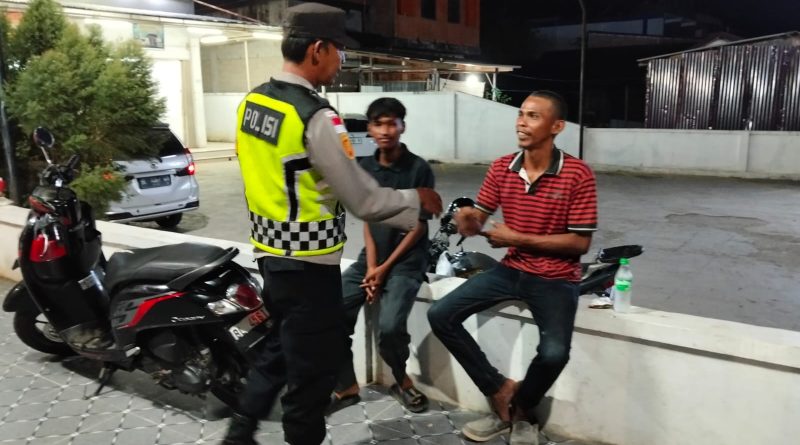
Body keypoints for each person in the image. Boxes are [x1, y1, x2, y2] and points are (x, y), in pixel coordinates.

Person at [223, 3, 442, 445]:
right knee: (311, 375)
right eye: (339, 50)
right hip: (309, 266)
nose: (341, 60)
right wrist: (415, 200)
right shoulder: (315, 116)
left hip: (269, 256)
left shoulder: (253, 101)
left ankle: (240, 431)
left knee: (279, 348)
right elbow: (363, 198)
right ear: (317, 49)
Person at [427, 90, 597, 445]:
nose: (522, 122)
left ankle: (522, 410)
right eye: (521, 114)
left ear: (557, 126)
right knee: (441, 314)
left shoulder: (577, 174)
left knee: (554, 353)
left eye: (533, 116)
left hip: (556, 278)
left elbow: (580, 243)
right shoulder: (502, 167)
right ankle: (500, 389)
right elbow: (480, 216)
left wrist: (517, 238)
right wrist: (469, 220)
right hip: (511, 270)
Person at [327, 98, 433, 415]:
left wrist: (384, 269)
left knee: (389, 327)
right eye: (378, 123)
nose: (385, 130)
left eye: (391, 123)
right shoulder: (364, 168)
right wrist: (372, 266)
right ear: (370, 129)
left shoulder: (419, 169)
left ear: (402, 126)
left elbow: (417, 226)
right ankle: (346, 385)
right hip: (371, 259)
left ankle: (402, 381)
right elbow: (369, 220)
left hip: (407, 262)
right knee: (330, 316)